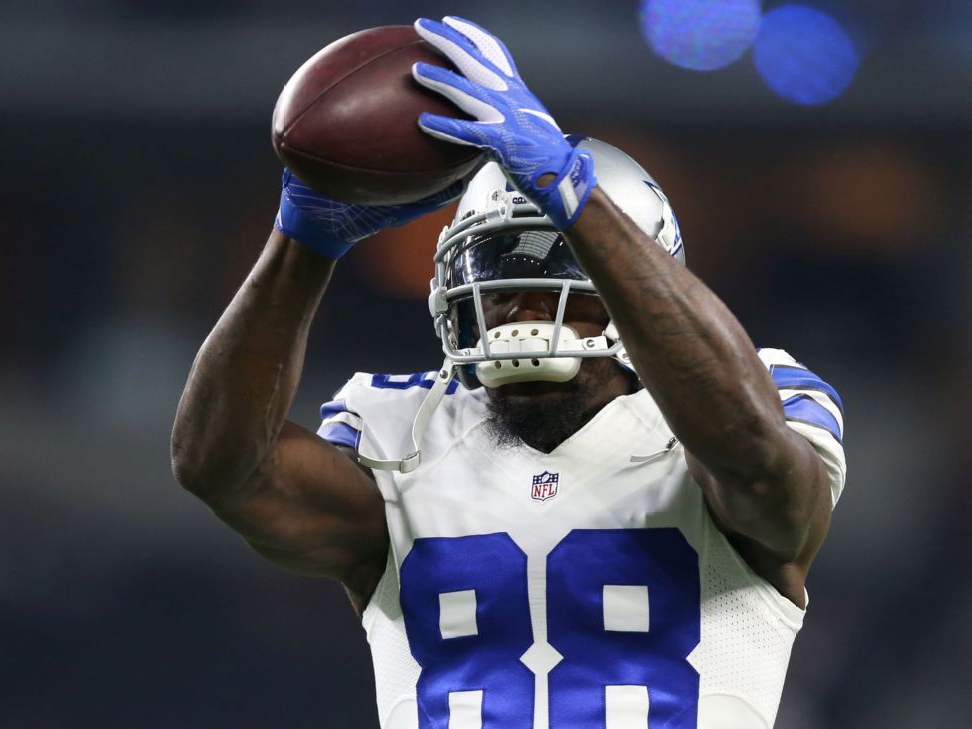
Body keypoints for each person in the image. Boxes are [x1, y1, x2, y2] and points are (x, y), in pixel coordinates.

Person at [171, 16, 845, 729]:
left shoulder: (752, 403)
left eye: (556, 266)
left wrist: (573, 196)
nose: (521, 302)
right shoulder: (406, 432)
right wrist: (300, 241)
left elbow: (759, 466)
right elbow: (222, 466)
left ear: (639, 279)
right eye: (498, 273)